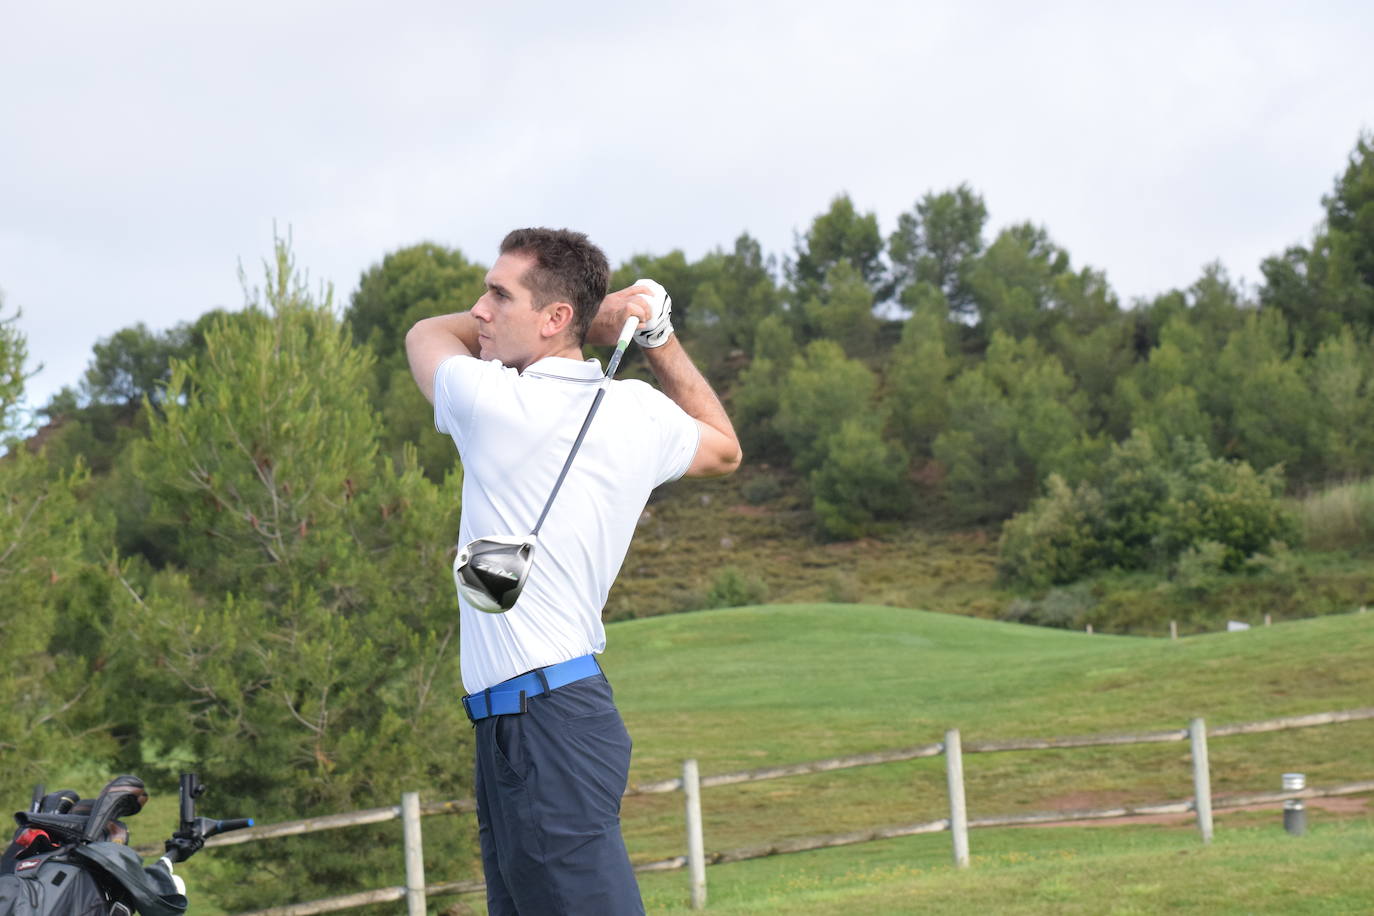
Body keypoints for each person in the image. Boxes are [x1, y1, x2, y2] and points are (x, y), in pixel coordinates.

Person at [405, 227, 741, 915]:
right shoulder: (639, 413)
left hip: (544, 723)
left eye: (500, 295)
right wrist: (657, 337)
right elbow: (725, 450)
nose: (480, 310)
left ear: (558, 319)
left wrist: (600, 313)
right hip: (529, 721)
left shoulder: (493, 402)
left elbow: (423, 335)